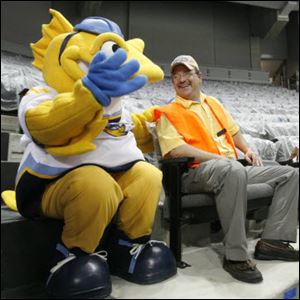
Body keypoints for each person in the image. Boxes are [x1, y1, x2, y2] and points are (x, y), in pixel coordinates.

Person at [15, 9, 176, 299]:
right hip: (49, 185)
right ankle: (71, 256)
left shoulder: (118, 109)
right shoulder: (39, 94)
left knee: (148, 175)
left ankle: (129, 247)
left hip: (108, 180)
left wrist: (162, 122)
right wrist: (86, 96)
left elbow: (133, 131)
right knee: (96, 183)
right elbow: (46, 125)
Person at [154, 55, 299, 284]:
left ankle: (273, 241)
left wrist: (248, 149)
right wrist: (218, 158)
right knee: (232, 170)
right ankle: (235, 256)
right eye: (176, 75)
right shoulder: (167, 112)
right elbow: (175, 151)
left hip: (231, 168)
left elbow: (233, 131)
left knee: (290, 173)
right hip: (194, 173)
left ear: (199, 77)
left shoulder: (213, 103)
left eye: (187, 73)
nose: (181, 79)